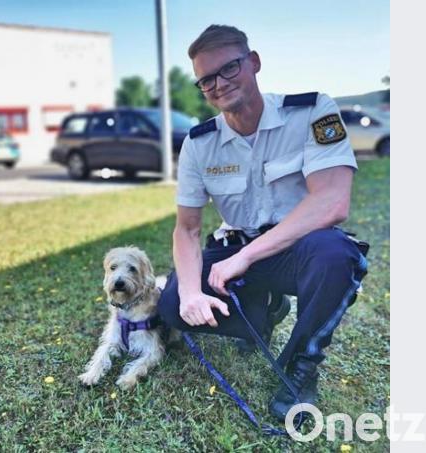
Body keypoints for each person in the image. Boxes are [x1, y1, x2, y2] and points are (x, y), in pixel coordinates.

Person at [157, 24, 368, 421]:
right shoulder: (199, 143)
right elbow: (186, 229)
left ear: (253, 63)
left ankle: (301, 368)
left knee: (336, 255)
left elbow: (332, 200)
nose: (219, 84)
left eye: (230, 68)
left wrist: (246, 258)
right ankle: (263, 313)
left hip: (297, 249)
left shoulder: (312, 111)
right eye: (206, 80)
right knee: (171, 306)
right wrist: (189, 293)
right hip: (235, 247)